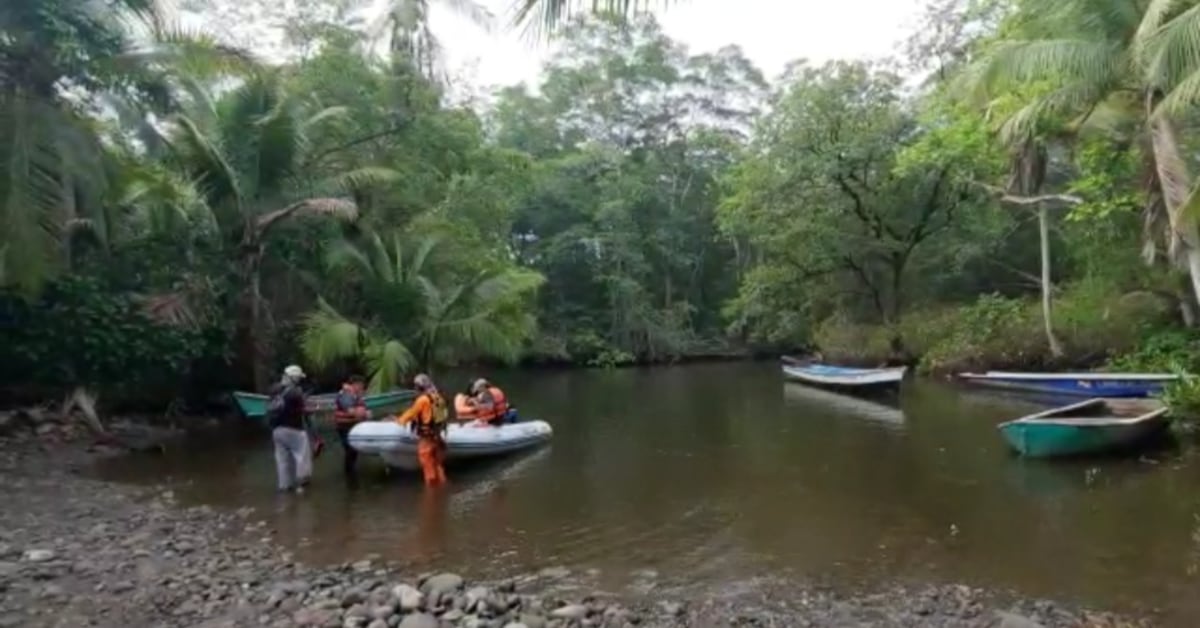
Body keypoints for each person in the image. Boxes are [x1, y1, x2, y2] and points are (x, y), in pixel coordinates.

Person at [395, 373, 448, 486]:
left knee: (428, 465)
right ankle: (443, 489)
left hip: (426, 438)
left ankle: (432, 494)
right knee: (437, 464)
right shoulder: (438, 397)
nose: (415, 389)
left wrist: (399, 421)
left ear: (419, 386)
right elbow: (440, 415)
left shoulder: (422, 400)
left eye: (416, 386)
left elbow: (411, 413)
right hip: (437, 436)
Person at [267, 365, 312, 494]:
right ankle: (302, 485)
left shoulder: (274, 389)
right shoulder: (296, 392)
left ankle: (284, 488)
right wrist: (312, 410)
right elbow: (303, 409)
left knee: (282, 461)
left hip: (277, 431)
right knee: (302, 457)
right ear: (295, 378)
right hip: (294, 429)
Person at [333, 374, 369, 478]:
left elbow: (360, 410)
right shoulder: (346, 395)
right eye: (361, 385)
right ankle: (349, 474)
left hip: (352, 425)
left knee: (353, 451)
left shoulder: (354, 395)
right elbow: (351, 411)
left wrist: (362, 412)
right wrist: (363, 413)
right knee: (350, 450)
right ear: (355, 384)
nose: (362, 387)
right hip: (345, 427)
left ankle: (351, 472)